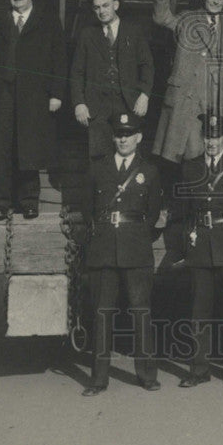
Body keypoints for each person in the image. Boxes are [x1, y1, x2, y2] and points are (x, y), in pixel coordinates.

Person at [80, 111, 163, 396]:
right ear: (113, 137)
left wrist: (135, 235)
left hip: (136, 248)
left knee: (141, 313)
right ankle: (98, 379)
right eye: (119, 135)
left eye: (128, 135)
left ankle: (147, 375)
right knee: (102, 315)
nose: (123, 139)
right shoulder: (97, 168)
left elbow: (152, 214)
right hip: (103, 248)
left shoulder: (149, 171)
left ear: (138, 138)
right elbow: (87, 207)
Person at [175, 113, 223, 389]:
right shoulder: (190, 168)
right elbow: (182, 211)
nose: (212, 142)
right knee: (199, 311)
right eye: (208, 136)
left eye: (217, 137)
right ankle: (198, 369)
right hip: (200, 245)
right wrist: (186, 243)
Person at [0, 0, 66, 221]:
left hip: (35, 95)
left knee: (29, 147)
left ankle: (29, 201)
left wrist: (56, 94)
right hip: (3, 93)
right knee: (1, 148)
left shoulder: (48, 20)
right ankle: (0, 203)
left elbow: (59, 59)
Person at [151, 0, 223, 166]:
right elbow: (162, 18)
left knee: (220, 152)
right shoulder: (187, 19)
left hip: (221, 97)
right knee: (191, 152)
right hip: (190, 96)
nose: (216, 1)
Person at [71, 0, 154, 160]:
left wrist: (144, 95)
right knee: (99, 158)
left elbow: (147, 65)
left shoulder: (134, 31)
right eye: (97, 7)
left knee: (128, 156)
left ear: (115, 5)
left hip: (128, 104)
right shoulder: (87, 34)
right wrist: (79, 103)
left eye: (106, 5)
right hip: (96, 108)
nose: (102, 11)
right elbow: (77, 72)